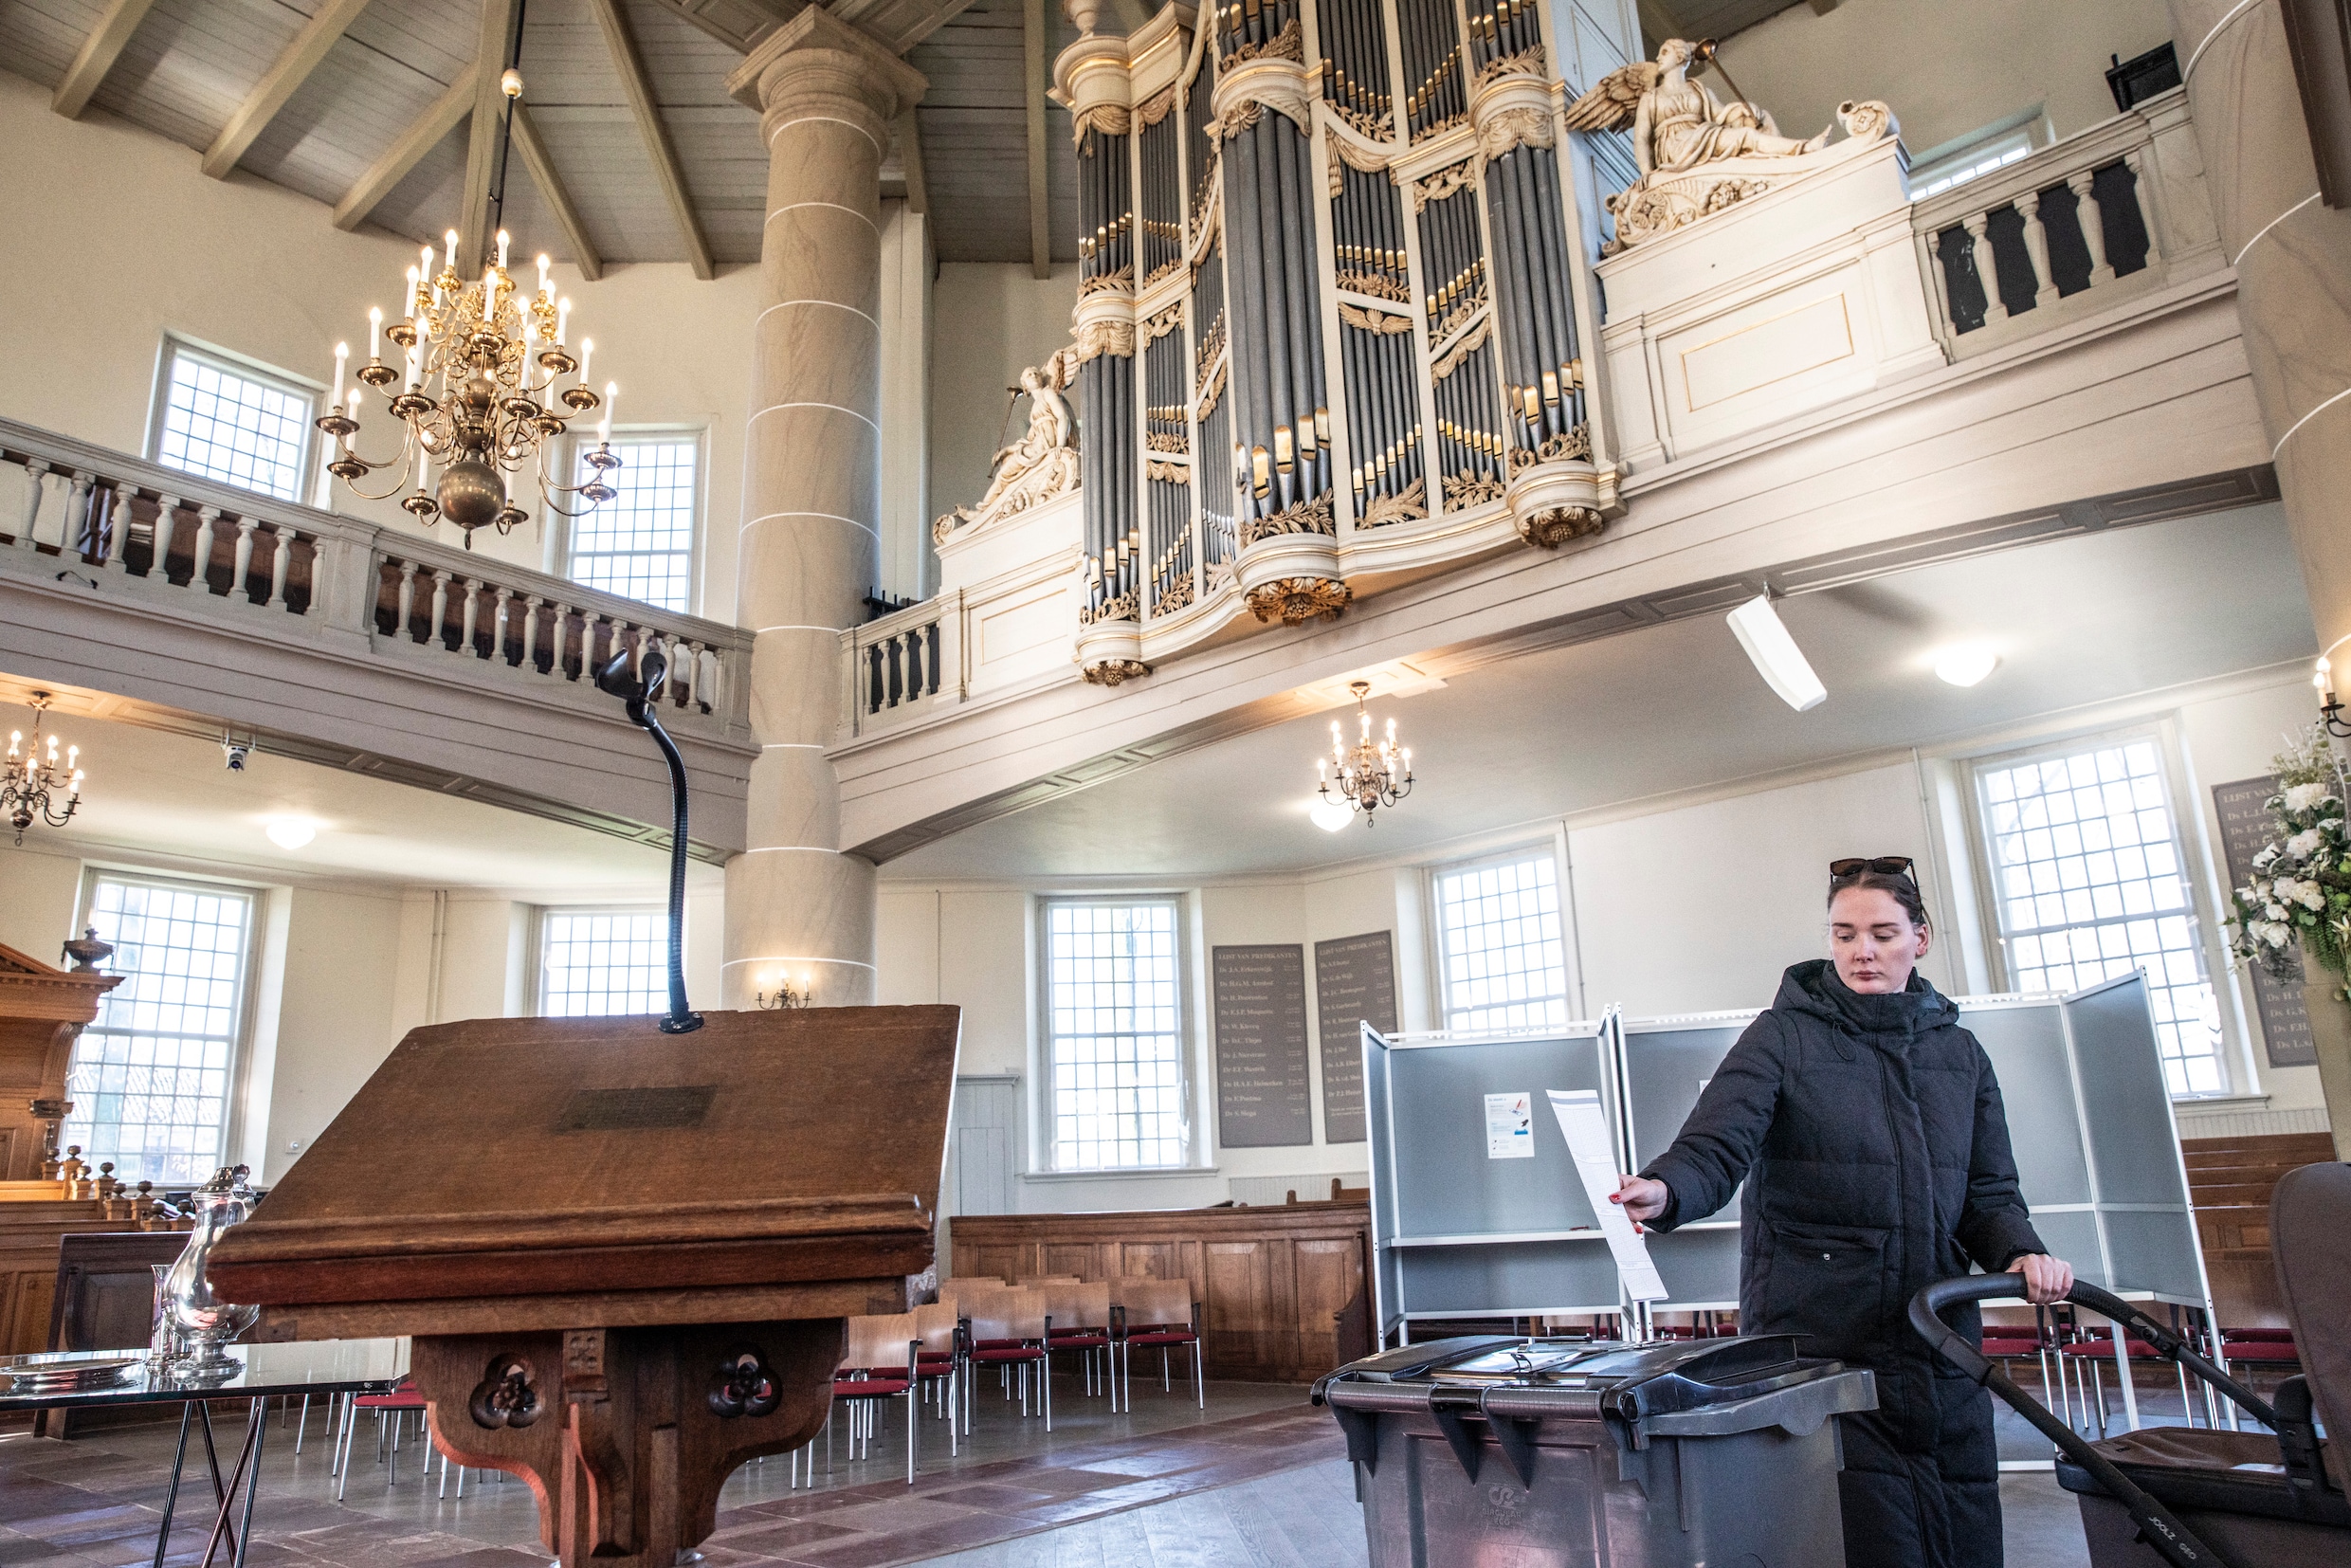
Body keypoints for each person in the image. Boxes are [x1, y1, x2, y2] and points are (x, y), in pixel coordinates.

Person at [1610, 856, 2073, 1568]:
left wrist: (2021, 1254)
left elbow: (1988, 1193)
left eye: (1883, 933)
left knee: (1964, 1530)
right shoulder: (1783, 1036)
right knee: (1859, 1539)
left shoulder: (1961, 1054)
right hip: (1822, 1346)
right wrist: (1667, 1190)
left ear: (1921, 938)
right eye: (1845, 934)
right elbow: (1715, 1145)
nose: (1863, 951)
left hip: (1939, 1343)